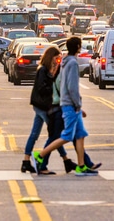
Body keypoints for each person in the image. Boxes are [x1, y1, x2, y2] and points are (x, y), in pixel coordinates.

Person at [32, 36, 97, 176]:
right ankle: (41, 154)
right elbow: (72, 87)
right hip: (70, 105)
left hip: (68, 104)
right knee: (67, 136)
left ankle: (81, 166)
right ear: (78, 47)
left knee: (80, 135)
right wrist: (77, 104)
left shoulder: (65, 62)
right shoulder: (73, 63)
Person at [22, 46, 73, 174]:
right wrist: (53, 89)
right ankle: (52, 163)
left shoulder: (48, 70)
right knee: (54, 136)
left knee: (35, 134)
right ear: (51, 57)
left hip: (41, 105)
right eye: (57, 58)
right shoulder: (43, 70)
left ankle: (26, 161)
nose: (58, 60)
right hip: (43, 106)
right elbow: (42, 88)